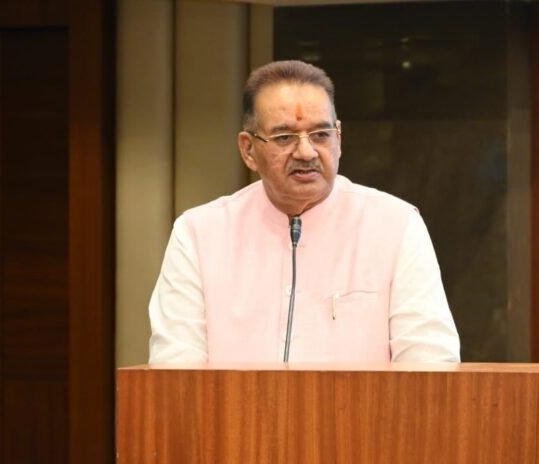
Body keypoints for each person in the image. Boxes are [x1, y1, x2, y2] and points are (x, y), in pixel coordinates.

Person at [148, 60, 459, 363]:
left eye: (321, 134)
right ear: (248, 149)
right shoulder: (199, 234)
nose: (306, 152)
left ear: (339, 138)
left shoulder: (395, 226)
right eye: (284, 137)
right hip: (230, 403)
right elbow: (175, 369)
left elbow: (429, 361)